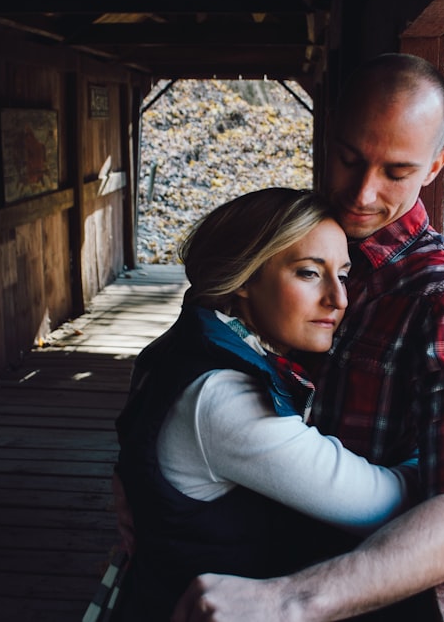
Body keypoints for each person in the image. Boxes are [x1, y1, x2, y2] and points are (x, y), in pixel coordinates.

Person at [170, 53, 444, 621]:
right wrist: (149, 468)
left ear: (436, 166)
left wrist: (291, 601)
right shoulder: (286, 231)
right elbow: (195, 332)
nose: (360, 191)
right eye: (349, 158)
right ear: (327, 136)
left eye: (396, 172)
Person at [111, 187, 420, 621]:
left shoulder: (190, 346)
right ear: (244, 279)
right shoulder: (224, 399)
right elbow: (383, 506)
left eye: (344, 274)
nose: (339, 298)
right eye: (310, 273)